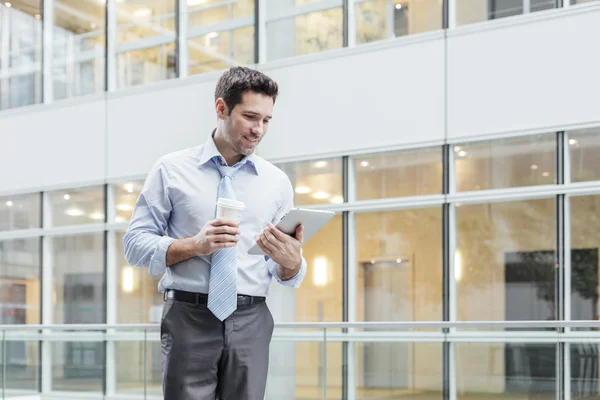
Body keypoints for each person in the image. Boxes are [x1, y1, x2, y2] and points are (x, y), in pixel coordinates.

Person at [123, 66, 307, 400]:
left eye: (266, 120)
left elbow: (286, 271)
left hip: (251, 319)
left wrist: (291, 262)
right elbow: (134, 244)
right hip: (188, 318)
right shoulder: (171, 169)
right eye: (250, 116)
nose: (258, 130)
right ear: (221, 109)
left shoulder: (276, 182)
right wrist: (194, 245)